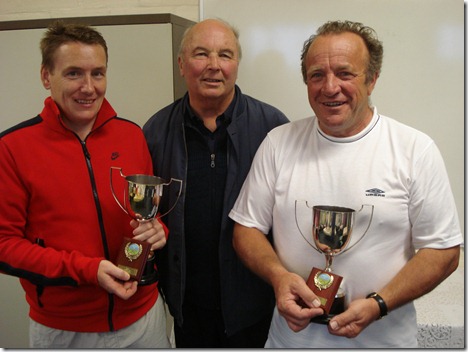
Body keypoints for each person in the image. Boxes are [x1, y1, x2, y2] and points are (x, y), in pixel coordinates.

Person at [229, 20, 462, 348]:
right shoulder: (278, 143)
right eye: (317, 75)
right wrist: (279, 277)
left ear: (372, 79)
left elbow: (443, 250)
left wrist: (379, 304)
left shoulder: (414, 150)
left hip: (383, 343)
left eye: (345, 73)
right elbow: (246, 229)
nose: (329, 87)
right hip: (290, 342)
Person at [0, 21, 171, 348]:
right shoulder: (12, 148)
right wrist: (87, 270)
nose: (89, 87)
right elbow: (4, 244)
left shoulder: (132, 135)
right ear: (46, 76)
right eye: (74, 73)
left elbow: (148, 215)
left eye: (98, 73)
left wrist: (159, 230)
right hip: (66, 330)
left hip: (143, 317)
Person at [143, 18, 289, 348]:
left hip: (255, 306)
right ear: (181, 64)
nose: (213, 66)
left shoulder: (274, 128)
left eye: (225, 54)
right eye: (200, 54)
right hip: (187, 307)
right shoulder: (155, 131)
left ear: (237, 64)